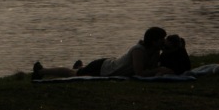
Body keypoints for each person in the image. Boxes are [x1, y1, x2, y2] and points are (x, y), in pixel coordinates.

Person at [32, 27, 174, 80]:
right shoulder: (139, 50)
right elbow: (140, 72)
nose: (163, 41)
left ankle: (80, 66)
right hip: (103, 68)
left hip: (109, 65)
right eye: (161, 39)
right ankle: (41, 71)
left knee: (78, 71)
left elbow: (150, 69)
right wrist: (159, 69)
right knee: (71, 74)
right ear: (154, 40)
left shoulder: (155, 51)